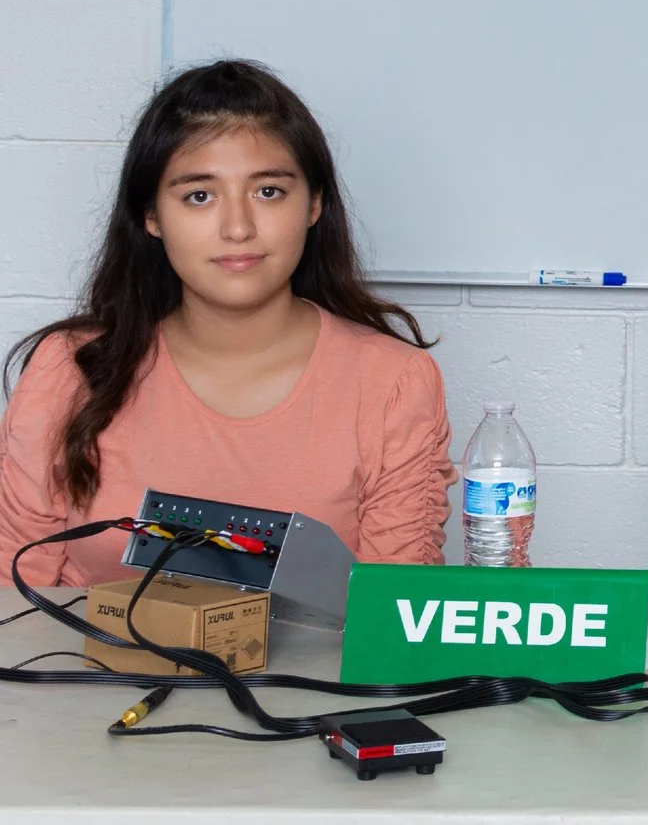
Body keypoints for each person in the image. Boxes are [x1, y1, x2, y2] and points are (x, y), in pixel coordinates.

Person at [0, 61, 454, 586]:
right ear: (151, 216)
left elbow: (390, 612)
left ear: (314, 204)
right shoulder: (68, 367)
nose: (238, 228)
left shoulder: (394, 382)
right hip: (85, 645)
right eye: (200, 196)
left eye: (269, 192)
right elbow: (14, 589)